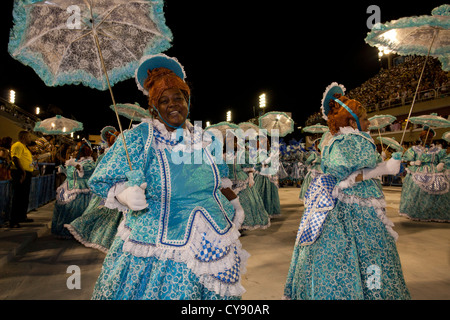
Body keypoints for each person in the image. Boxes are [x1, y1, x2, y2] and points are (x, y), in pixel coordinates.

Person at [89, 54, 248, 300]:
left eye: (178, 98)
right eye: (164, 100)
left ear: (188, 101)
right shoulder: (139, 138)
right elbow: (104, 178)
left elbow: (221, 180)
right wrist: (124, 193)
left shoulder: (206, 138)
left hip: (213, 231)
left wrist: (235, 202)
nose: (173, 104)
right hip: (157, 240)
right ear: (153, 107)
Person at [284, 82, 410, 300]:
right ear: (352, 121)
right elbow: (347, 176)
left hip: (338, 201)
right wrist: (385, 168)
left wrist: (383, 167)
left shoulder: (338, 139)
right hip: (353, 206)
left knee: (358, 255)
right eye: (364, 119)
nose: (369, 122)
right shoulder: (352, 139)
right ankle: (371, 290)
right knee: (370, 253)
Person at [65, 127, 123, 252]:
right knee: (105, 216)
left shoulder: (122, 155)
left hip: (121, 193)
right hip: (109, 192)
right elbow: (98, 174)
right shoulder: (105, 157)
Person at [399, 128, 450, 222]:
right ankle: (418, 212)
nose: (427, 139)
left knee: (441, 188)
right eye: (425, 137)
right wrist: (414, 163)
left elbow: (445, 159)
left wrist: (441, 163)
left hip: (435, 171)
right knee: (416, 187)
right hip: (418, 170)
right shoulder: (414, 149)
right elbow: (406, 160)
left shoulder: (438, 150)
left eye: (430, 137)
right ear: (421, 137)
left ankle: (435, 213)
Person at [51, 139, 95, 238]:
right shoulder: (75, 160)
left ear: (83, 151)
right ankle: (64, 230)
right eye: (74, 150)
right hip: (67, 187)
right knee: (64, 209)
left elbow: (85, 172)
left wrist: (76, 166)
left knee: (75, 210)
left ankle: (76, 232)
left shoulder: (89, 162)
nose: (74, 152)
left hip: (81, 190)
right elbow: (71, 174)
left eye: (77, 150)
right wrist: (64, 170)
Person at [9, 131, 34, 228]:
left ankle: (22, 216)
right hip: (20, 173)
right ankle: (13, 221)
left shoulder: (25, 147)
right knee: (18, 197)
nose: (30, 138)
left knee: (24, 197)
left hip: (26, 173)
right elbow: (15, 158)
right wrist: (23, 172)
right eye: (29, 136)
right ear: (24, 137)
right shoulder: (18, 145)